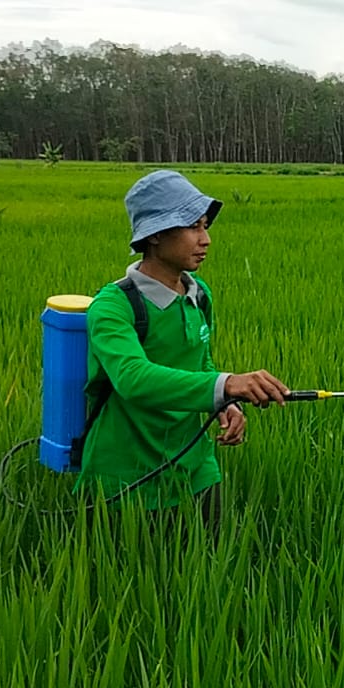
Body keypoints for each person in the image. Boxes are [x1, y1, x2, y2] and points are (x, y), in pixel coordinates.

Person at [75, 169, 290, 532]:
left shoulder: (198, 294)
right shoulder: (113, 306)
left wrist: (225, 402)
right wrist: (226, 385)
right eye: (193, 227)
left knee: (206, 568)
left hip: (194, 464)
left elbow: (200, 360)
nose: (205, 240)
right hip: (127, 475)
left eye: (205, 226)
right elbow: (132, 379)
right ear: (156, 234)